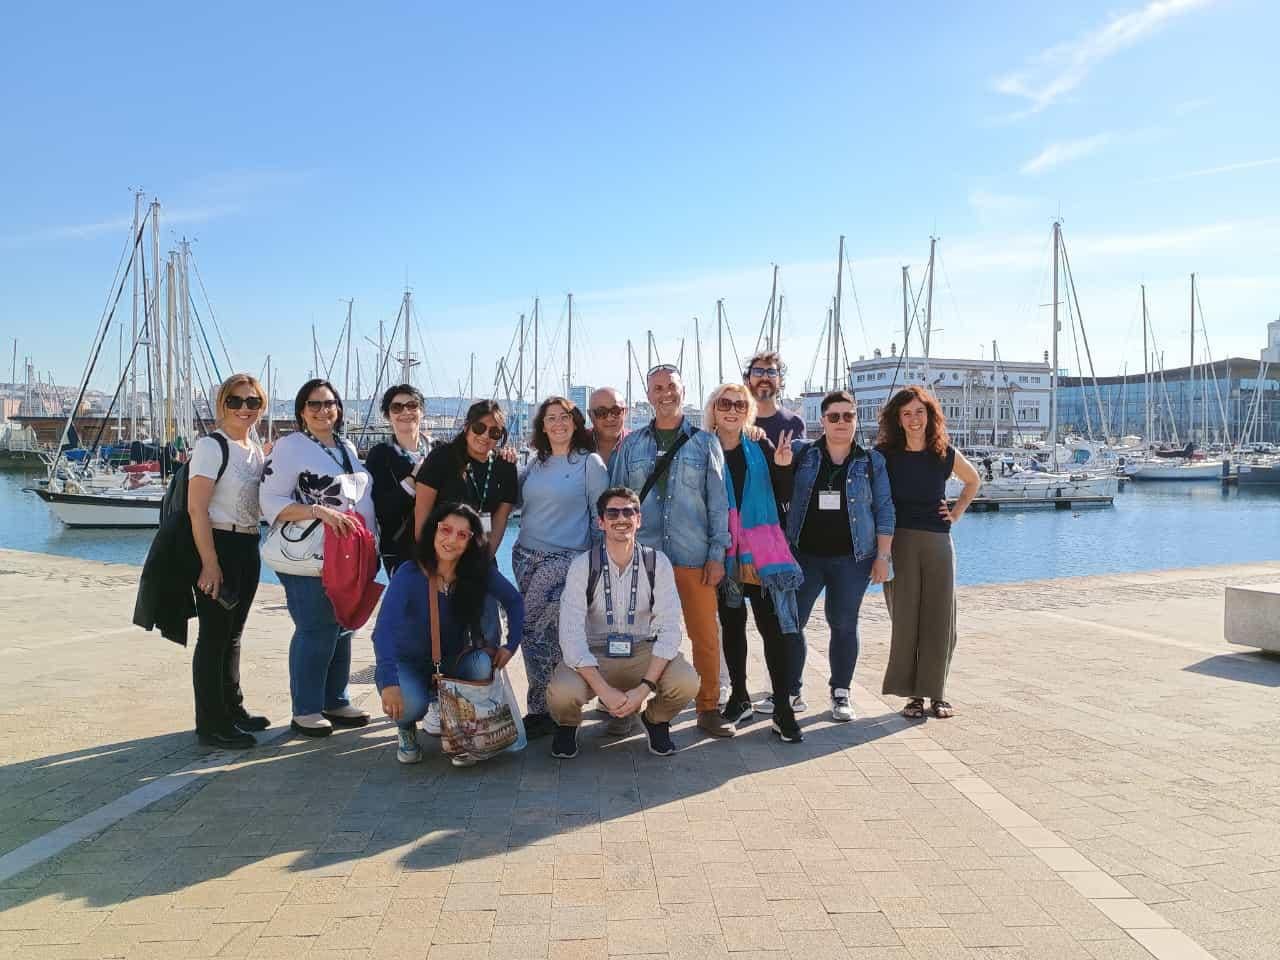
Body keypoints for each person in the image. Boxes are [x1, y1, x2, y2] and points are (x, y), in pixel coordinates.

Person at [610, 364, 733, 738]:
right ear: (648, 396)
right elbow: (616, 502)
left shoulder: (705, 443)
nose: (665, 393)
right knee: (638, 638)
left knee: (705, 637)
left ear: (683, 390)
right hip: (642, 561)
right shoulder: (630, 446)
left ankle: (708, 709)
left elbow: (718, 503)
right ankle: (633, 706)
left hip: (693, 557)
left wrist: (717, 554)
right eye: (658, 388)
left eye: (671, 387)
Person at [260, 379, 378, 737]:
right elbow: (270, 500)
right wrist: (317, 511)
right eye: (314, 404)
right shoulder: (289, 446)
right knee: (315, 628)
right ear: (301, 411)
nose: (323, 410)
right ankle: (306, 707)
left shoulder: (346, 446)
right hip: (310, 553)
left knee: (342, 628)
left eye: (329, 403)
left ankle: (335, 699)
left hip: (350, 553)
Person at [547, 487, 700, 758]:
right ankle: (568, 726)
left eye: (629, 511)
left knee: (686, 681)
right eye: (613, 512)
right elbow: (570, 635)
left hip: (642, 651)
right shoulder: (583, 565)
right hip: (594, 653)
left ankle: (655, 720)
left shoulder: (658, 563)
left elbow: (670, 630)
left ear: (639, 519)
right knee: (561, 692)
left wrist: (643, 691)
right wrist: (604, 691)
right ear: (601, 522)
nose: (621, 518)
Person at [372, 502, 525, 765]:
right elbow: (383, 630)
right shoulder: (409, 574)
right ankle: (406, 728)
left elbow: (514, 601)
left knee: (481, 664)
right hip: (408, 662)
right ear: (433, 530)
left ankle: (464, 733)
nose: (451, 540)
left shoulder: (477, 573)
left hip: (452, 661)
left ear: (471, 542)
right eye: (446, 530)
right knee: (410, 704)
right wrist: (388, 681)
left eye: (462, 535)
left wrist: (511, 644)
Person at [703, 382, 805, 743]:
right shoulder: (704, 449)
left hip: (762, 552)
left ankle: (782, 706)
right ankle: (740, 697)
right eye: (724, 403)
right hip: (724, 552)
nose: (731, 409)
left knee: (772, 630)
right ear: (713, 409)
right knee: (732, 628)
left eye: (739, 404)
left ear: (747, 410)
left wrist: (782, 467)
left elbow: (782, 495)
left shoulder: (760, 445)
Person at [785, 390, 895, 723]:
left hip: (854, 559)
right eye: (834, 416)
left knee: (844, 624)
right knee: (793, 623)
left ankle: (840, 692)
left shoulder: (871, 461)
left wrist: (883, 556)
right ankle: (791, 690)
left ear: (856, 419)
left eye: (848, 416)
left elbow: (885, 509)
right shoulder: (803, 454)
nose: (841, 422)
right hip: (805, 557)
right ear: (823, 421)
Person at [876, 386, 980, 720]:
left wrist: (956, 512)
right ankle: (912, 697)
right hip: (899, 543)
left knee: (939, 618)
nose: (914, 419)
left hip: (938, 543)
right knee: (906, 620)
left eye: (920, 412)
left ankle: (937, 694)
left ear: (930, 415)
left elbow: (973, 481)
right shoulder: (885, 454)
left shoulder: (944, 452)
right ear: (898, 418)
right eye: (906, 413)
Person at [512, 397, 609, 739]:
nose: (557, 423)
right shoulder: (535, 464)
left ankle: (555, 707)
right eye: (550, 418)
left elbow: (601, 520)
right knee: (531, 637)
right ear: (542, 426)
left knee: (548, 636)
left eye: (564, 417)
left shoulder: (589, 464)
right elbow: (515, 500)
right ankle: (541, 707)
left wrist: (596, 567)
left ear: (576, 422)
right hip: (525, 557)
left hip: (565, 561)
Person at [187, 373, 269, 749]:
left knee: (233, 635)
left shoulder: (253, 448)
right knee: (213, 637)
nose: (244, 408)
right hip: (218, 542)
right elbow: (196, 508)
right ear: (222, 403)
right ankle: (211, 723)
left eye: (252, 402)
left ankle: (232, 710)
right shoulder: (211, 446)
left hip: (248, 544)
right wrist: (209, 562)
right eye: (235, 401)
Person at [414, 400, 517, 557]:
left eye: (494, 432)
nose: (485, 436)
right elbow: (422, 512)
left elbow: (500, 519)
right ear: (466, 427)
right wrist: (428, 560)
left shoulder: (505, 467)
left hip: (478, 555)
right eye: (479, 428)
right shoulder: (442, 457)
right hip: (439, 553)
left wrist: (486, 560)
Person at [364, 384, 431, 573]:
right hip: (400, 550)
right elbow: (382, 508)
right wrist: (413, 479)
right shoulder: (380, 456)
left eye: (412, 405)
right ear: (388, 415)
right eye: (397, 407)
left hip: (441, 547)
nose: (405, 412)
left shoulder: (439, 450)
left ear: (422, 411)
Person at [744, 350, 806, 446]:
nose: (765, 377)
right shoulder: (738, 422)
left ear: (780, 380)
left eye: (771, 372)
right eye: (757, 372)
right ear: (748, 380)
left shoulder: (795, 423)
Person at [587, 386, 628, 469]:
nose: (609, 418)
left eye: (616, 411)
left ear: (625, 412)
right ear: (590, 415)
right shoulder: (577, 444)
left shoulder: (639, 444)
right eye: (601, 412)